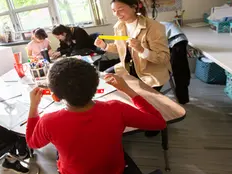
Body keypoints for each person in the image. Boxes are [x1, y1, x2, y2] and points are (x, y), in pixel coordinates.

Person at [25, 58, 166, 174]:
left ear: (55, 97)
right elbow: (159, 123)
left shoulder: (48, 122)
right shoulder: (116, 109)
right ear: (97, 86)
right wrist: (128, 90)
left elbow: (32, 142)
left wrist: (33, 107)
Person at [94, 0, 170, 92]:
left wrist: (142, 50)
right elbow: (120, 48)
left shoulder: (154, 26)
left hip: (150, 71)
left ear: (134, 7)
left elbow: (163, 58)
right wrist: (104, 46)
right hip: (128, 66)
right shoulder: (119, 26)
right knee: (104, 79)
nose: (116, 14)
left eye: (120, 10)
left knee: (137, 97)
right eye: (114, 11)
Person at [161, 21, 190, 104]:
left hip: (176, 39)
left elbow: (124, 37)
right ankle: (183, 98)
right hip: (174, 35)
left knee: (179, 69)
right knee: (181, 70)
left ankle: (182, 98)